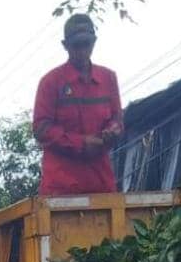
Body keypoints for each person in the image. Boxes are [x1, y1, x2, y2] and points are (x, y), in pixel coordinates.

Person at [33, 13, 124, 197]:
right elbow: (41, 129)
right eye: (76, 45)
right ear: (65, 45)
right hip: (60, 189)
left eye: (87, 44)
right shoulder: (51, 82)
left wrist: (112, 131)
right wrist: (81, 143)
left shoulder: (108, 78)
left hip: (101, 185)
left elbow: (117, 120)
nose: (82, 50)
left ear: (94, 42)